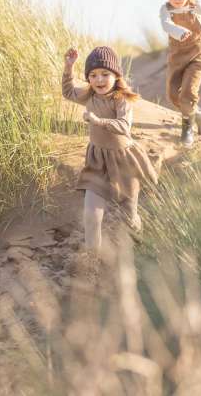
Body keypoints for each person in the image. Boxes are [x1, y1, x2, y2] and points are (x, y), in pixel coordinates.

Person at [61, 46, 159, 253]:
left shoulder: (121, 99)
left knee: (129, 214)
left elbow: (124, 126)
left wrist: (98, 121)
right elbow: (68, 92)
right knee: (91, 214)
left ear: (116, 75)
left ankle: (140, 245)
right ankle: (92, 258)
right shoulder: (89, 96)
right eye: (93, 75)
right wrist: (68, 67)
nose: (99, 80)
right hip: (97, 160)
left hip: (124, 161)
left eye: (105, 74)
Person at [159, 0, 201, 146]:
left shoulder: (198, 7)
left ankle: (187, 128)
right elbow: (166, 25)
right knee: (173, 94)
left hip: (198, 54)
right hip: (177, 57)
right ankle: (198, 114)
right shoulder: (165, 10)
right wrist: (178, 31)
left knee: (188, 92)